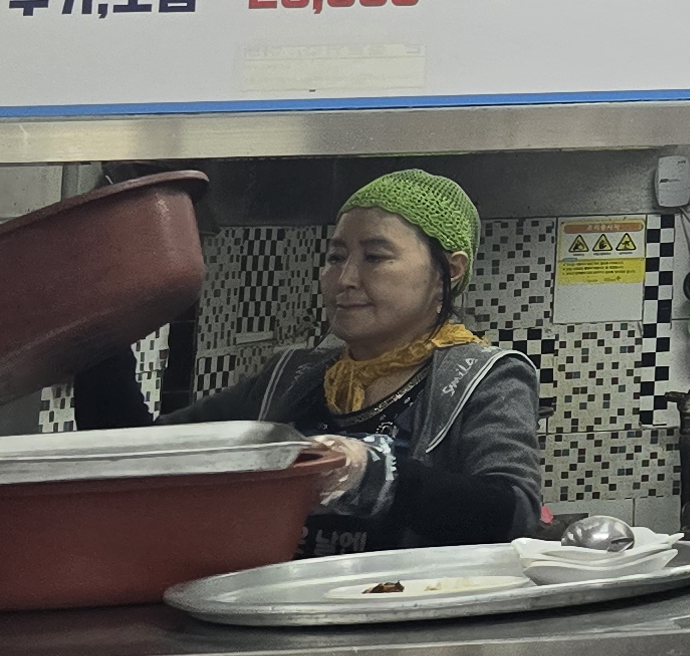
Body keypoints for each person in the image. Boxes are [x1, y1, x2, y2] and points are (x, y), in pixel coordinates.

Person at [80, 170, 545, 556]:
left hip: (410, 623)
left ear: (450, 272)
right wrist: (96, 335)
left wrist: (374, 474)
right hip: (282, 616)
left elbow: (513, 513)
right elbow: (138, 454)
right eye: (336, 256)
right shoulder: (292, 377)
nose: (345, 279)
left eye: (375, 257)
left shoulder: (484, 377)